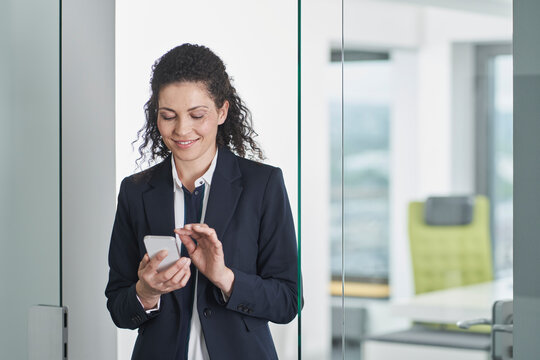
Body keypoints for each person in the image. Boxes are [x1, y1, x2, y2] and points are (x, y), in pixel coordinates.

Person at [105, 44, 299, 360]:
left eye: (197, 115)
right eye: (168, 116)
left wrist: (225, 277)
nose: (182, 129)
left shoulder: (263, 185)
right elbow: (118, 307)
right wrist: (146, 292)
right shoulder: (135, 192)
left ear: (222, 111)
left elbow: (289, 300)